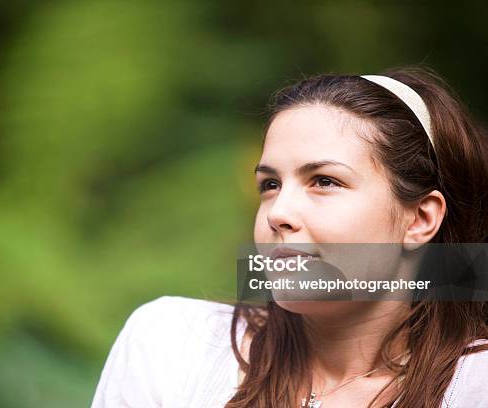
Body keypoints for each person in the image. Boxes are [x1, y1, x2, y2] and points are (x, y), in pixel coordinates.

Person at [90, 67, 488, 407]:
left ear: (420, 218)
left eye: (324, 181)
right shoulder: (172, 345)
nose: (278, 213)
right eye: (270, 184)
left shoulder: (475, 386)